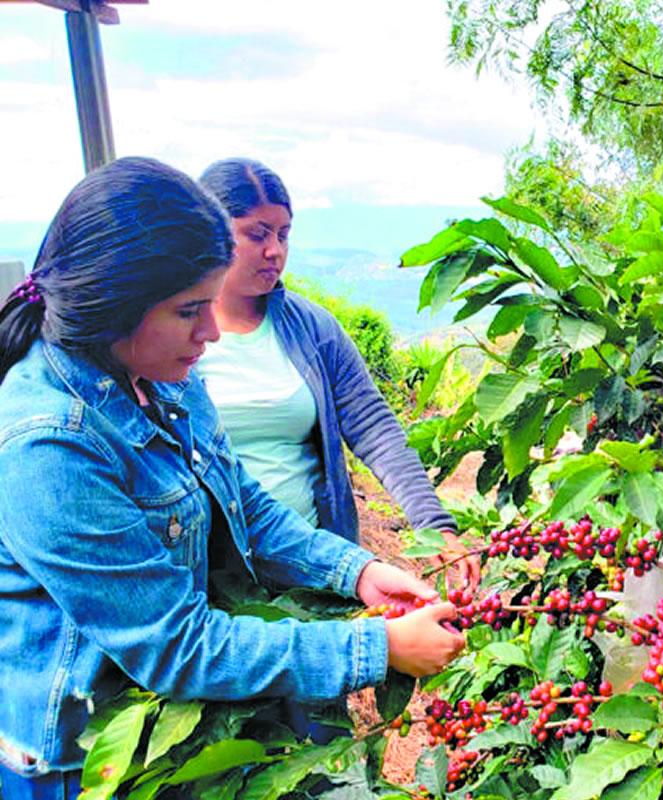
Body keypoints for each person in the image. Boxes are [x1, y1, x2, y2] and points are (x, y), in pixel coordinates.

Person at [0, 157, 466, 799]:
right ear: (114, 307)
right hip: (81, 767)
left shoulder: (164, 377)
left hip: (177, 735)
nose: (212, 332)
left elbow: (246, 504)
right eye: (191, 310)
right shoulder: (49, 445)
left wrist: (356, 571)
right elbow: (175, 645)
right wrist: (375, 648)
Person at [194, 158, 479, 588]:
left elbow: (373, 426)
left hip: (317, 569)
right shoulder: (174, 341)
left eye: (283, 234)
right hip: (209, 580)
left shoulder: (312, 329)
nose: (275, 251)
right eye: (257, 234)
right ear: (211, 232)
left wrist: (433, 522)